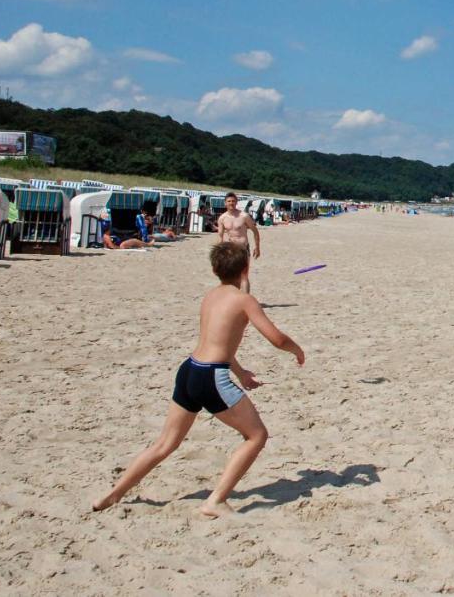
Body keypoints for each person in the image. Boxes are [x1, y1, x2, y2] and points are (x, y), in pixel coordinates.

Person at [92, 242, 305, 517]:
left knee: (165, 443)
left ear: (215, 269)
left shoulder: (210, 296)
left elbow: (217, 340)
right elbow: (276, 339)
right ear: (246, 270)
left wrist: (239, 372)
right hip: (211, 377)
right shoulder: (245, 300)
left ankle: (114, 493)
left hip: (190, 369)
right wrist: (297, 350)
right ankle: (216, 500)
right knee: (256, 435)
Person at [217, 192, 261, 293]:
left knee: (244, 276)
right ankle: (235, 299)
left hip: (243, 248)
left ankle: (245, 299)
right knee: (231, 276)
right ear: (225, 203)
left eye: (233, 201)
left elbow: (255, 231)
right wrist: (220, 252)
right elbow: (220, 237)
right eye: (229, 201)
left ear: (236, 202)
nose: (231, 203)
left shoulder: (244, 216)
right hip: (231, 249)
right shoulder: (222, 218)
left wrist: (257, 247)